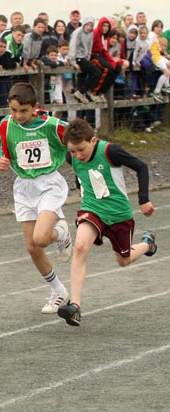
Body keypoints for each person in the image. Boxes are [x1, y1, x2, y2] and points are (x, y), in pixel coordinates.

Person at [58, 118, 157, 326]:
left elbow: (141, 167)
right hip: (93, 209)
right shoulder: (72, 156)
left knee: (123, 260)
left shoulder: (111, 151)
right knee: (80, 247)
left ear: (93, 140)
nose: (77, 156)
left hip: (119, 213)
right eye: (73, 151)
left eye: (81, 150)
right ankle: (75, 306)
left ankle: (148, 243)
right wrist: (80, 189)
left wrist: (144, 199)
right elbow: (80, 173)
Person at [0, 82, 73, 314]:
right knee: (32, 247)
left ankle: (61, 233)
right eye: (13, 110)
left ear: (35, 107)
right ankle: (58, 290)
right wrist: (2, 162)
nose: (18, 116)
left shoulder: (52, 125)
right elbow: (3, 152)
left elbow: (81, 137)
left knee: (40, 238)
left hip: (49, 184)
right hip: (23, 187)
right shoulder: (6, 125)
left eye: (23, 111)